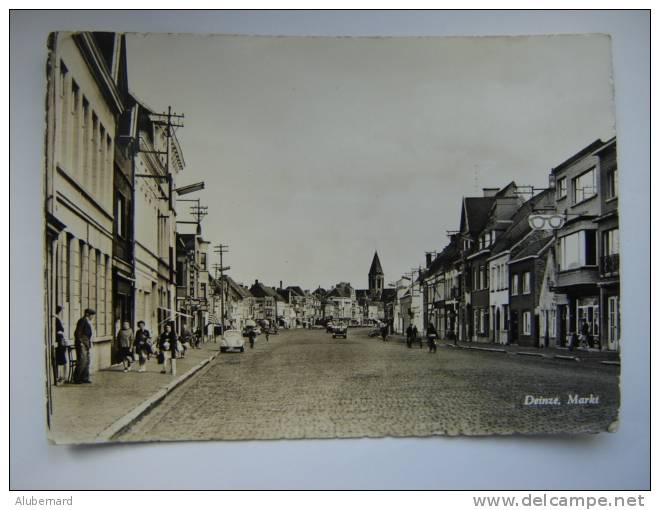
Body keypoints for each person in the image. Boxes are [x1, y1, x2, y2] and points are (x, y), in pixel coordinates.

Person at [73, 308, 95, 384]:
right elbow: (77, 332)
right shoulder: (82, 321)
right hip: (82, 344)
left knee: (87, 361)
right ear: (87, 314)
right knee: (82, 361)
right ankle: (77, 378)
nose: (93, 317)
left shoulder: (88, 321)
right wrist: (80, 342)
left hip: (87, 343)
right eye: (92, 315)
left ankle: (85, 378)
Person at [54, 305, 68, 384]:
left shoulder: (56, 319)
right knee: (62, 361)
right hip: (60, 342)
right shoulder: (57, 319)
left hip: (60, 342)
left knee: (61, 361)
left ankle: (61, 377)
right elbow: (61, 330)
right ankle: (62, 377)